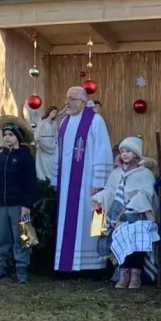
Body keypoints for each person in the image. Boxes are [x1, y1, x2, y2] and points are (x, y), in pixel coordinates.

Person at [51, 86, 113, 276]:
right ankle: (66, 265)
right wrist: (55, 178)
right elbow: (57, 151)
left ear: (83, 102)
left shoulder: (95, 120)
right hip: (67, 184)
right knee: (66, 222)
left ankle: (93, 266)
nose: (67, 102)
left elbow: (103, 150)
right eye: (67, 98)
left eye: (72, 99)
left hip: (88, 183)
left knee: (93, 220)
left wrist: (99, 181)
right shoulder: (64, 122)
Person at [93, 136, 160, 290]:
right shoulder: (116, 172)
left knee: (136, 239)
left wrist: (133, 204)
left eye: (128, 151)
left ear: (136, 154)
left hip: (138, 215)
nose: (124, 154)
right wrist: (100, 197)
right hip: (118, 216)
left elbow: (147, 192)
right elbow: (110, 190)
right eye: (122, 151)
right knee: (120, 238)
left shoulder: (145, 173)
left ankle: (135, 274)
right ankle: (123, 274)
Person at [0, 118, 38, 284]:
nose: (7, 137)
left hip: (19, 205)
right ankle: (1, 265)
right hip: (2, 203)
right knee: (1, 236)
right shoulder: (0, 157)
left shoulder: (26, 158)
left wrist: (27, 204)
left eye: (10, 135)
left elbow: (30, 182)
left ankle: (22, 267)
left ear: (18, 137)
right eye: (5, 134)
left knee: (22, 235)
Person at [34, 105, 59, 183]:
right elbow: (37, 134)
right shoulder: (43, 122)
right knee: (44, 163)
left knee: (51, 163)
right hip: (43, 144)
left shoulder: (54, 123)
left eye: (56, 113)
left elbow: (56, 133)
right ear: (49, 112)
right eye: (53, 112)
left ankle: (51, 179)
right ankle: (44, 179)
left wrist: (56, 142)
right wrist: (39, 142)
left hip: (52, 145)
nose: (54, 114)